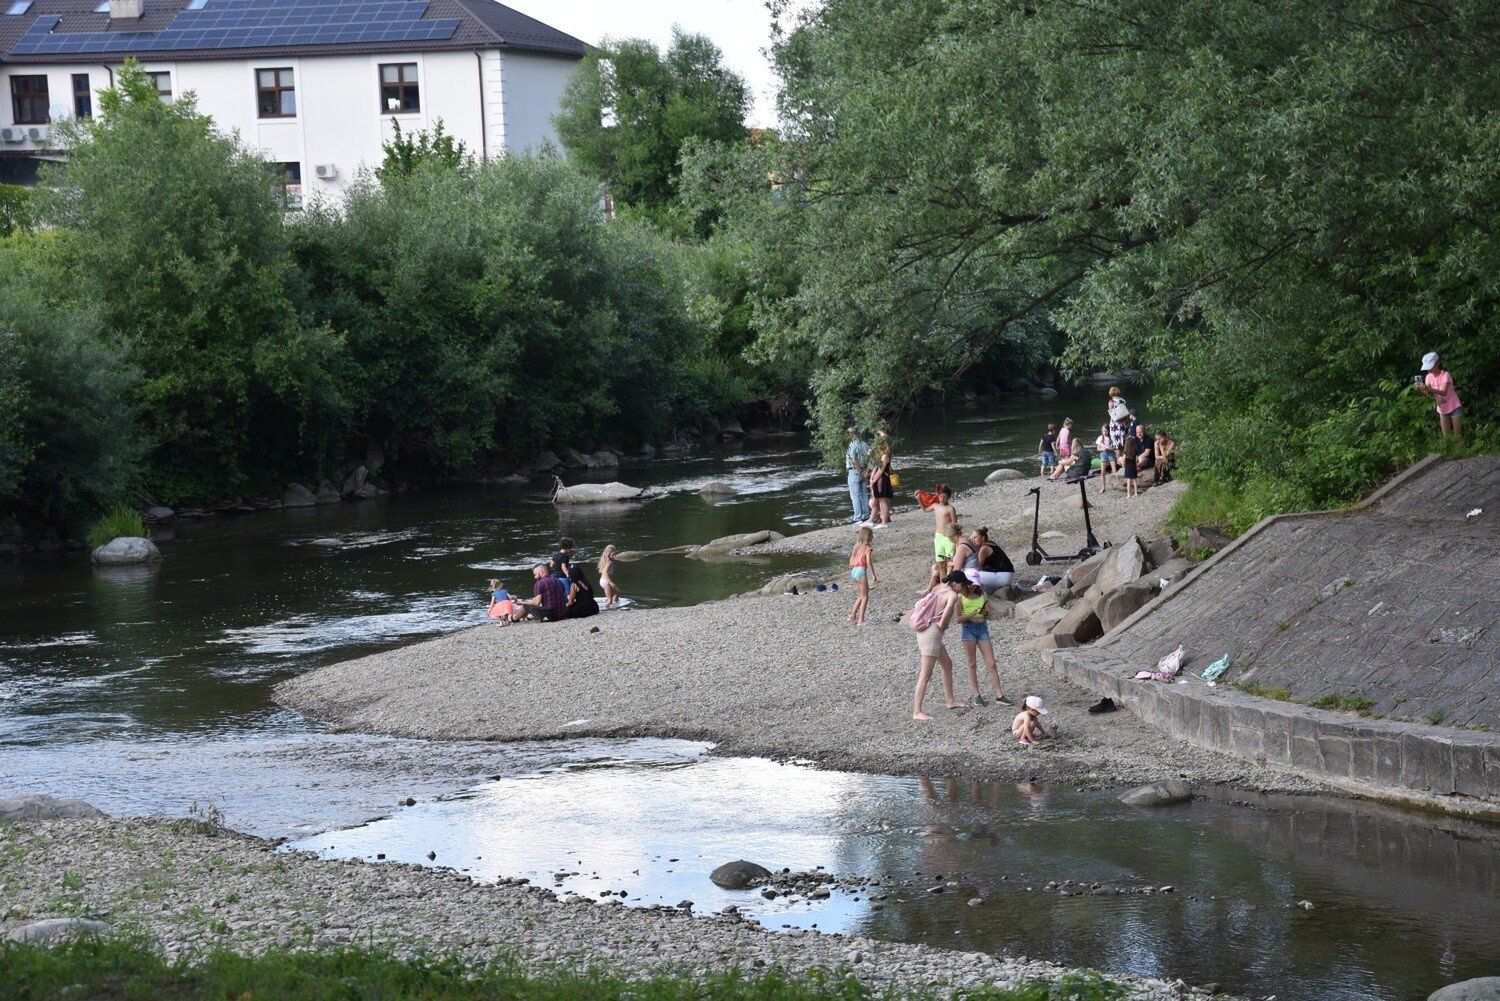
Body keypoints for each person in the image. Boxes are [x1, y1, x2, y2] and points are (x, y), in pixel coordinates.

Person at [913, 571, 967, 721]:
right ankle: (917, 711)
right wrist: (943, 623)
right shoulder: (953, 595)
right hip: (931, 635)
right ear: (955, 584)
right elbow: (949, 609)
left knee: (947, 664)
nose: (963, 588)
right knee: (925, 674)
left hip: (926, 630)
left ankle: (950, 701)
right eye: (962, 585)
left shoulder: (938, 587)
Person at [956, 576, 1006, 706]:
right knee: (972, 663)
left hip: (982, 628)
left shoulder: (983, 594)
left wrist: (984, 612)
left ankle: (999, 695)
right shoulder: (960, 597)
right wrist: (971, 615)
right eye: (970, 584)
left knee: (991, 663)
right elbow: (958, 619)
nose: (973, 586)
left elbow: (987, 614)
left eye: (975, 584)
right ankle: (977, 695)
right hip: (968, 629)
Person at [1418, 352, 1463, 441]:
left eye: (1431, 367)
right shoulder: (1428, 377)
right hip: (1442, 408)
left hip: (1454, 406)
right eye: (1428, 368)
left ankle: (1460, 449)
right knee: (1446, 438)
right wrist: (1420, 388)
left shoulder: (1446, 374)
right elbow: (1426, 394)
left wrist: (1428, 388)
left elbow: (1444, 392)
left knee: (1457, 438)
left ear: (1438, 363)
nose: (1429, 370)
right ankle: (1450, 450)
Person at [848, 526, 877, 626]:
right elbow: (869, 562)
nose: (872, 537)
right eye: (871, 535)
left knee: (862, 594)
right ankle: (861, 620)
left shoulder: (857, 545)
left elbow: (852, 558)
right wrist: (873, 575)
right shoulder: (868, 548)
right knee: (865, 596)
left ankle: (852, 615)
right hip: (861, 572)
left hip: (854, 571)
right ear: (868, 536)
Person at [972, 527, 1015, 594]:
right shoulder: (990, 543)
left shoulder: (984, 548)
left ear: (983, 538)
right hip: (1008, 575)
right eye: (972, 538)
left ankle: (974, 595)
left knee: (970, 574)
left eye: (975, 537)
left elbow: (978, 567)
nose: (973, 540)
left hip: (1003, 576)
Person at [845, 427, 872, 524]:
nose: (846, 436)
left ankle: (857, 517)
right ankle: (866, 515)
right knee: (864, 495)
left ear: (851, 434)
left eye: (848, 434)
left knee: (855, 496)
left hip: (855, 472)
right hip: (864, 471)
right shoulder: (864, 444)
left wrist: (860, 471)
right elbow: (871, 457)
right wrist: (867, 470)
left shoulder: (852, 445)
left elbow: (853, 460)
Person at [868, 432, 894, 527]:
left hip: (882, 480)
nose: (877, 445)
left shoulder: (885, 456)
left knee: (883, 500)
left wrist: (873, 481)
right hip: (880, 479)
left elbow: (880, 470)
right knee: (881, 500)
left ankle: (884, 522)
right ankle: (884, 520)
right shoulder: (881, 455)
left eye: (879, 444)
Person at [1094, 424, 1115, 492]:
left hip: (1111, 454)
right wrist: (1102, 449)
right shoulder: (1100, 438)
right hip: (1103, 454)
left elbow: (1114, 447)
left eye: (1106, 431)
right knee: (1103, 472)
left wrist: (1109, 448)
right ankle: (1103, 487)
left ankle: (1117, 485)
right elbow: (1098, 448)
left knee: (1114, 471)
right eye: (1103, 431)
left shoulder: (1112, 437)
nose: (1105, 432)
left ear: (1108, 431)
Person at [1122, 433, 1140, 499]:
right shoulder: (1135, 451)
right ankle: (1136, 493)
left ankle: (1128, 494)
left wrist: (1123, 462)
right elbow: (1137, 460)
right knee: (1134, 480)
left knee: (1128, 481)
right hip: (1133, 467)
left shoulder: (1126, 452)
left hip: (1128, 467)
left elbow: (1124, 459)